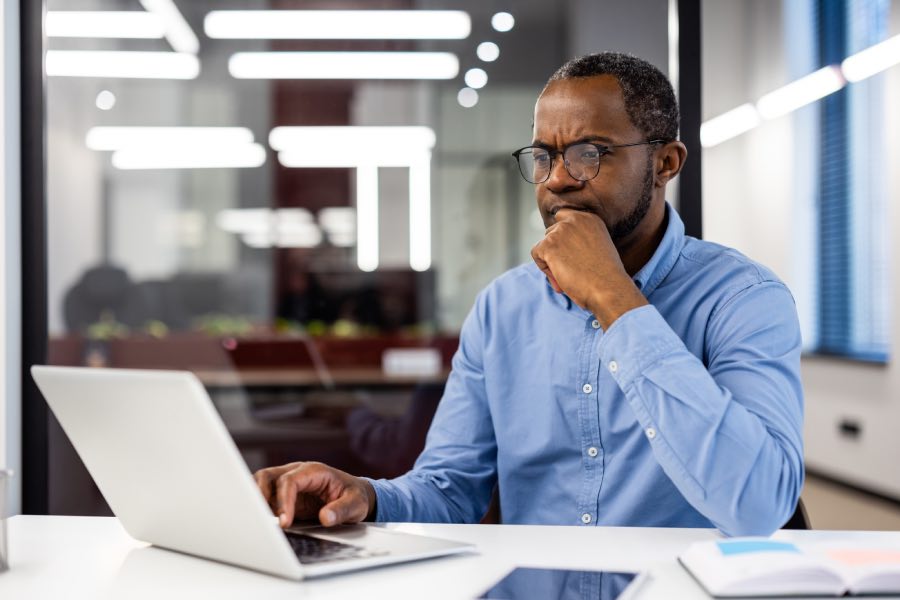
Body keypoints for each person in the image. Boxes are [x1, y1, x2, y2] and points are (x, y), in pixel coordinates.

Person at [254, 52, 804, 537]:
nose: (558, 179)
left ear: (665, 164)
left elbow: (759, 506)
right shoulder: (502, 308)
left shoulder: (743, 299)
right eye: (544, 156)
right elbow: (449, 491)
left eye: (590, 153)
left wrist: (615, 299)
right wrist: (367, 497)